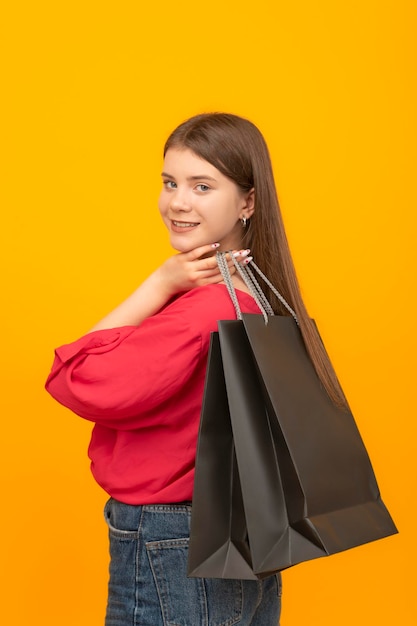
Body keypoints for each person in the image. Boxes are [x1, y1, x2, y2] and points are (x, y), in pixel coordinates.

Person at [45, 112, 345, 626]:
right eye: (170, 183)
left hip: (174, 539)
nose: (177, 202)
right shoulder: (257, 300)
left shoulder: (205, 311)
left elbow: (74, 378)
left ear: (248, 202)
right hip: (243, 531)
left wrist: (158, 284)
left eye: (202, 185)